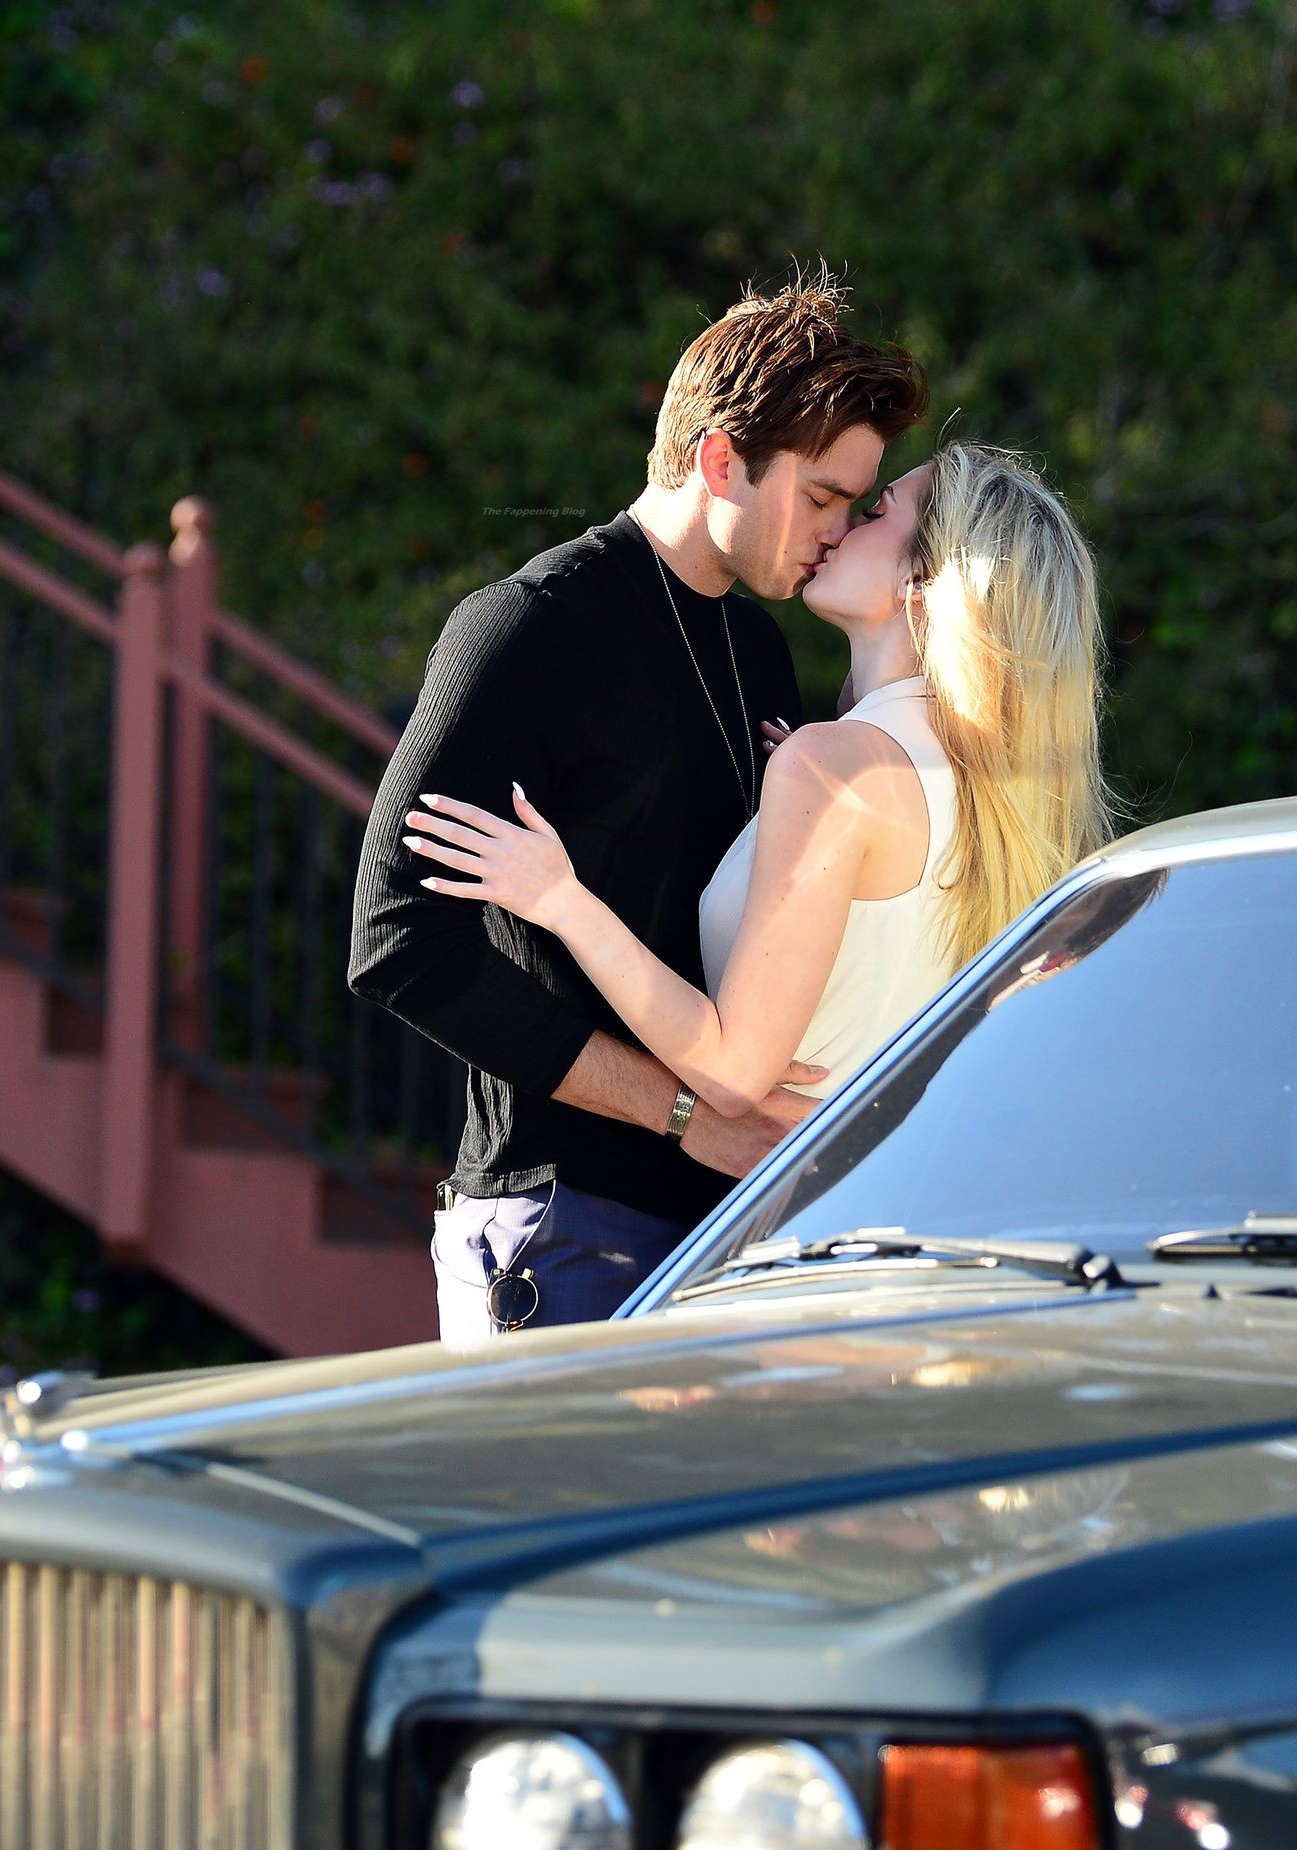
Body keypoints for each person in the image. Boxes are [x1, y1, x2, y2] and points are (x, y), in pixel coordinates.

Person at [348, 264, 929, 1345]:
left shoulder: (759, 649)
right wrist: (679, 1112)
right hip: (559, 1226)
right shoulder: (525, 630)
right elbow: (397, 944)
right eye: (820, 498)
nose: (839, 529)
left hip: (731, 1227)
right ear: (720, 461)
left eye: (857, 504)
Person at [404, 438, 1115, 1152]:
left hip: (794, 1198)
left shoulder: (835, 768)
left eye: (874, 513)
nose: (839, 528)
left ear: (923, 579)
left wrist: (561, 900)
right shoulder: (982, 786)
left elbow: (734, 1073)